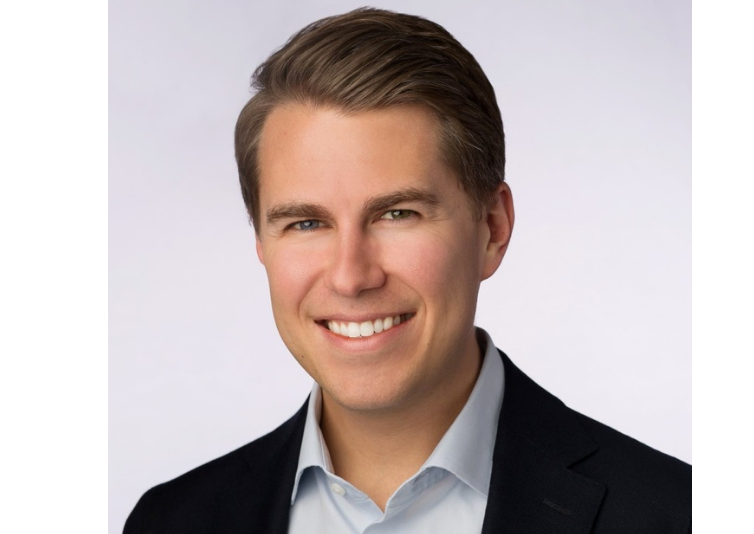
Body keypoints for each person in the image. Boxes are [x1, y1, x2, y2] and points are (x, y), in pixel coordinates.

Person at [124, 7, 690, 533]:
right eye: (305, 223)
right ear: (262, 243)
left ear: (491, 228)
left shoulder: (675, 513)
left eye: (397, 214)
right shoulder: (172, 520)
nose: (350, 276)